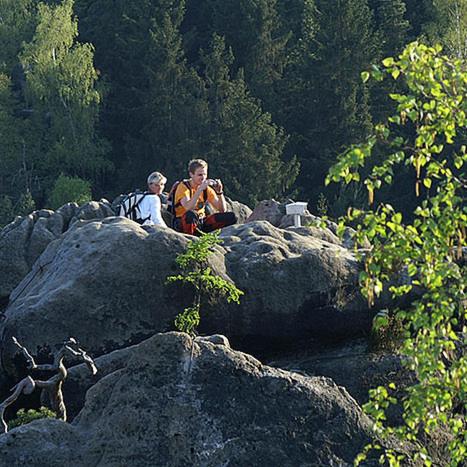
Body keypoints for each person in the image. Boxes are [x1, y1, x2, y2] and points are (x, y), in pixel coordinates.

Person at [173, 159, 236, 235]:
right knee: (191, 214)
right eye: (200, 175)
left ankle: (205, 235)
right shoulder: (183, 187)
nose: (203, 178)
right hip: (185, 222)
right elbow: (188, 207)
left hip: (201, 221)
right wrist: (199, 190)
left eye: (205, 174)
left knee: (231, 217)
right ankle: (191, 238)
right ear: (191, 174)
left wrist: (219, 192)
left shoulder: (207, 189)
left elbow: (222, 210)